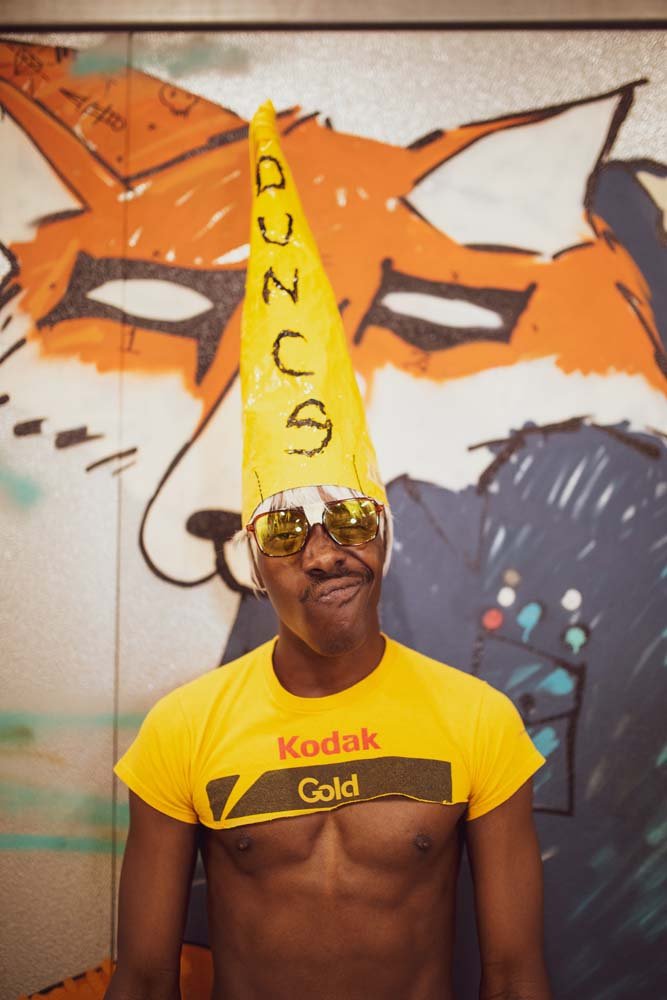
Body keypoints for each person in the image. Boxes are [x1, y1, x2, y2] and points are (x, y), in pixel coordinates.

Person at [106, 102, 551, 1000]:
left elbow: (512, 975)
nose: (321, 554)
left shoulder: (477, 722)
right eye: (284, 530)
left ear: (380, 534)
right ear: (251, 557)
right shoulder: (182, 732)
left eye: (347, 519)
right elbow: (145, 979)